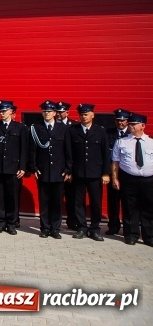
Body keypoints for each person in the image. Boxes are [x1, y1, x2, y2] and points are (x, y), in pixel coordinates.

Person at [28, 100, 71, 239]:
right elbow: (32, 150)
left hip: (59, 171)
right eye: (44, 111)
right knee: (44, 201)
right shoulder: (36, 128)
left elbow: (68, 150)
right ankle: (45, 228)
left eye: (49, 111)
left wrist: (68, 169)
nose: (47, 113)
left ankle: (55, 229)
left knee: (57, 201)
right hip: (43, 171)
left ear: (54, 113)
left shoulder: (63, 128)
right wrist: (34, 167)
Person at [69, 103, 110, 241]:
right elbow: (69, 153)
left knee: (95, 202)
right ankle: (81, 227)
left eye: (86, 114)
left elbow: (106, 154)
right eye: (81, 114)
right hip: (78, 173)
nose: (83, 117)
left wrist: (105, 173)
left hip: (95, 173)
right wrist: (69, 171)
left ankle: (94, 229)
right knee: (78, 202)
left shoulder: (101, 131)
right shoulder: (73, 131)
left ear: (92, 115)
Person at [0, 100, 27, 235]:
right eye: (0, 111)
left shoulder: (20, 127)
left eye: (4, 111)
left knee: (12, 197)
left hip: (13, 168)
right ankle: (0, 222)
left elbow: (24, 149)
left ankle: (11, 223)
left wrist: (22, 167)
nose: (2, 113)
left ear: (11, 111)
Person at [111, 113, 153, 246]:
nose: (131, 126)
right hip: (129, 179)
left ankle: (149, 236)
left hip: (148, 180)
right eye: (130, 124)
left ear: (143, 126)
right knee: (129, 208)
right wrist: (115, 178)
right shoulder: (122, 142)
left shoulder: (151, 142)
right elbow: (115, 162)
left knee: (148, 208)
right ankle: (131, 235)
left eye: (134, 124)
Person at [106, 108, 132, 235]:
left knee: (128, 202)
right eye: (118, 120)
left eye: (123, 120)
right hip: (113, 172)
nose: (120, 123)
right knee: (113, 202)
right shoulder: (108, 133)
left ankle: (129, 228)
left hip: (127, 174)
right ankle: (113, 226)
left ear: (127, 121)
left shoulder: (132, 133)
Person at [56, 101, 79, 230]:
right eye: (57, 112)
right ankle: (56, 223)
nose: (59, 114)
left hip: (71, 168)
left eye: (61, 112)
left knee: (72, 197)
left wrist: (70, 170)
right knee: (56, 197)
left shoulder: (74, 126)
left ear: (67, 112)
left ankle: (73, 221)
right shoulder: (53, 126)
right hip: (57, 168)